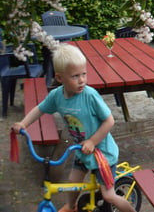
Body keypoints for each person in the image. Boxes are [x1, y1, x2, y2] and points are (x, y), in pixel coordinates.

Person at [11, 44, 137, 212]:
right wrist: (23, 124)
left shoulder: (90, 95)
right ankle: (71, 207)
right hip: (82, 151)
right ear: (60, 78)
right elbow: (40, 109)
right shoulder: (57, 96)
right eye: (75, 76)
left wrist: (92, 141)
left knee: (108, 195)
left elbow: (109, 121)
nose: (82, 80)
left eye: (84, 74)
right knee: (72, 183)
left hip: (102, 154)